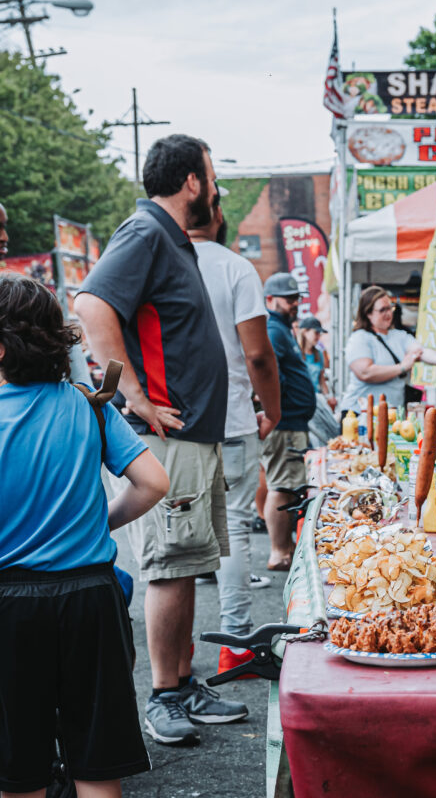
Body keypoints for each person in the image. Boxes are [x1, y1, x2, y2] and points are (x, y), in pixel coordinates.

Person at [0, 272, 170, 798]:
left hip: (10, 602)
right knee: (97, 762)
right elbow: (153, 482)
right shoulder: (87, 406)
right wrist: (99, 517)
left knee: (19, 770)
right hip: (89, 596)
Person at [75, 134, 248, 748]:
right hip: (166, 433)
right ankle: (163, 697)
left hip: (191, 435)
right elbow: (92, 302)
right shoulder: (146, 230)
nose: (216, 186)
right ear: (193, 183)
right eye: (212, 173)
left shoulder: (167, 238)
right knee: (170, 567)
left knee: (191, 561)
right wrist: (136, 396)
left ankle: (181, 682)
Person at [189, 190, 281, 675]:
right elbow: (259, 354)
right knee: (234, 530)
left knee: (177, 544)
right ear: (219, 215)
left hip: (174, 424)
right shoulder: (235, 268)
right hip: (233, 421)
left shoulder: (154, 264)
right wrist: (273, 409)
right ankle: (237, 644)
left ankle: (175, 663)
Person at [262, 273, 317, 571]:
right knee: (282, 486)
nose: (295, 303)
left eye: (297, 297)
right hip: (284, 424)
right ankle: (279, 551)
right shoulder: (273, 329)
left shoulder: (281, 328)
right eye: (288, 298)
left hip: (289, 422)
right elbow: (270, 373)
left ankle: (284, 547)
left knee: (286, 484)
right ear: (270, 300)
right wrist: (278, 408)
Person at [341, 285, 436, 413]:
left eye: (390, 308)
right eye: (382, 310)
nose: (388, 313)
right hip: (359, 414)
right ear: (368, 313)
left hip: (391, 414)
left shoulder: (399, 336)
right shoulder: (359, 338)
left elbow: (421, 351)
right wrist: (402, 367)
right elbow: (365, 372)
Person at [297, 315, 336, 409]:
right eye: (316, 332)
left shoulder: (319, 354)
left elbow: (321, 380)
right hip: (299, 401)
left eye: (319, 333)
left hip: (315, 401)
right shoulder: (295, 353)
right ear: (305, 332)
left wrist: (329, 397)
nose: (318, 336)